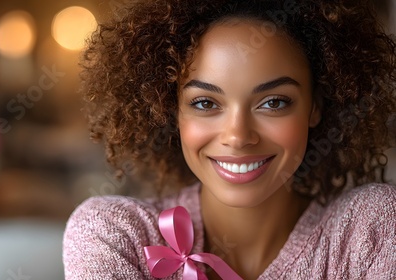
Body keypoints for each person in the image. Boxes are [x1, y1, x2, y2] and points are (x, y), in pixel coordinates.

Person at [63, 0, 396, 279]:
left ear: (315, 107)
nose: (238, 137)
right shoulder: (115, 234)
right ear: (172, 111)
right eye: (205, 103)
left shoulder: (370, 230)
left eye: (274, 102)